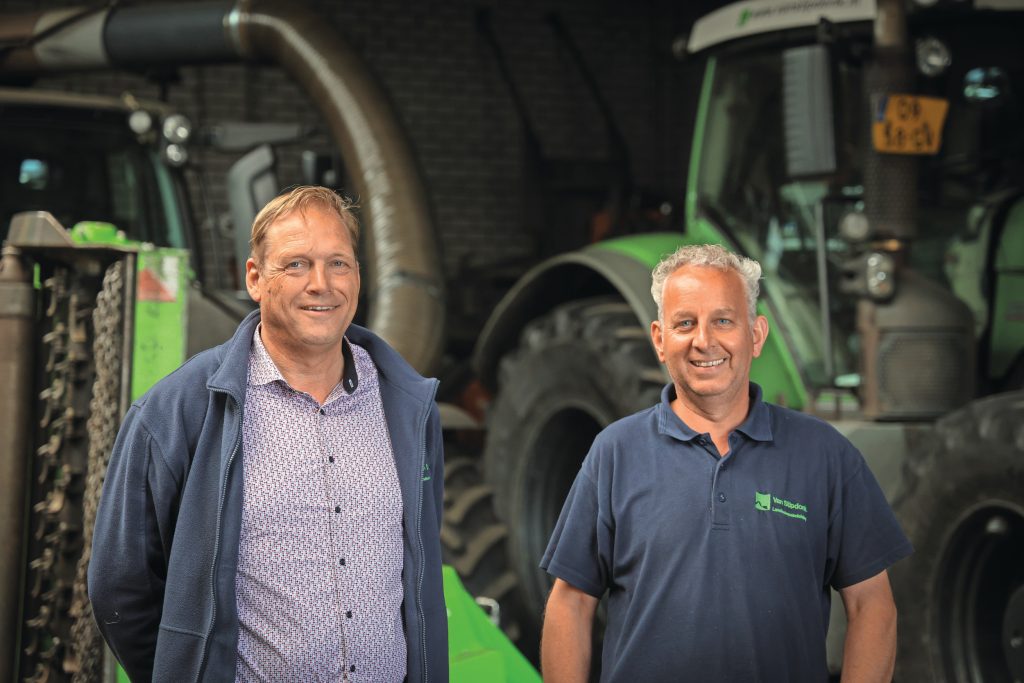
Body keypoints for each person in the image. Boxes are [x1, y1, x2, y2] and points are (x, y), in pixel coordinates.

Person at [88, 186, 447, 682]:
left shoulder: (406, 406)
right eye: (296, 264)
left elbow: (422, 567)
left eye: (338, 263)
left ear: (358, 276)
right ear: (255, 278)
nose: (321, 284)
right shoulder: (178, 410)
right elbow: (121, 585)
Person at [539, 244, 912, 682]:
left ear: (755, 335)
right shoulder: (615, 453)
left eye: (723, 320)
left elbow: (873, 605)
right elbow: (570, 602)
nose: (704, 341)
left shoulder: (826, 456)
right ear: (659, 339)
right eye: (685, 323)